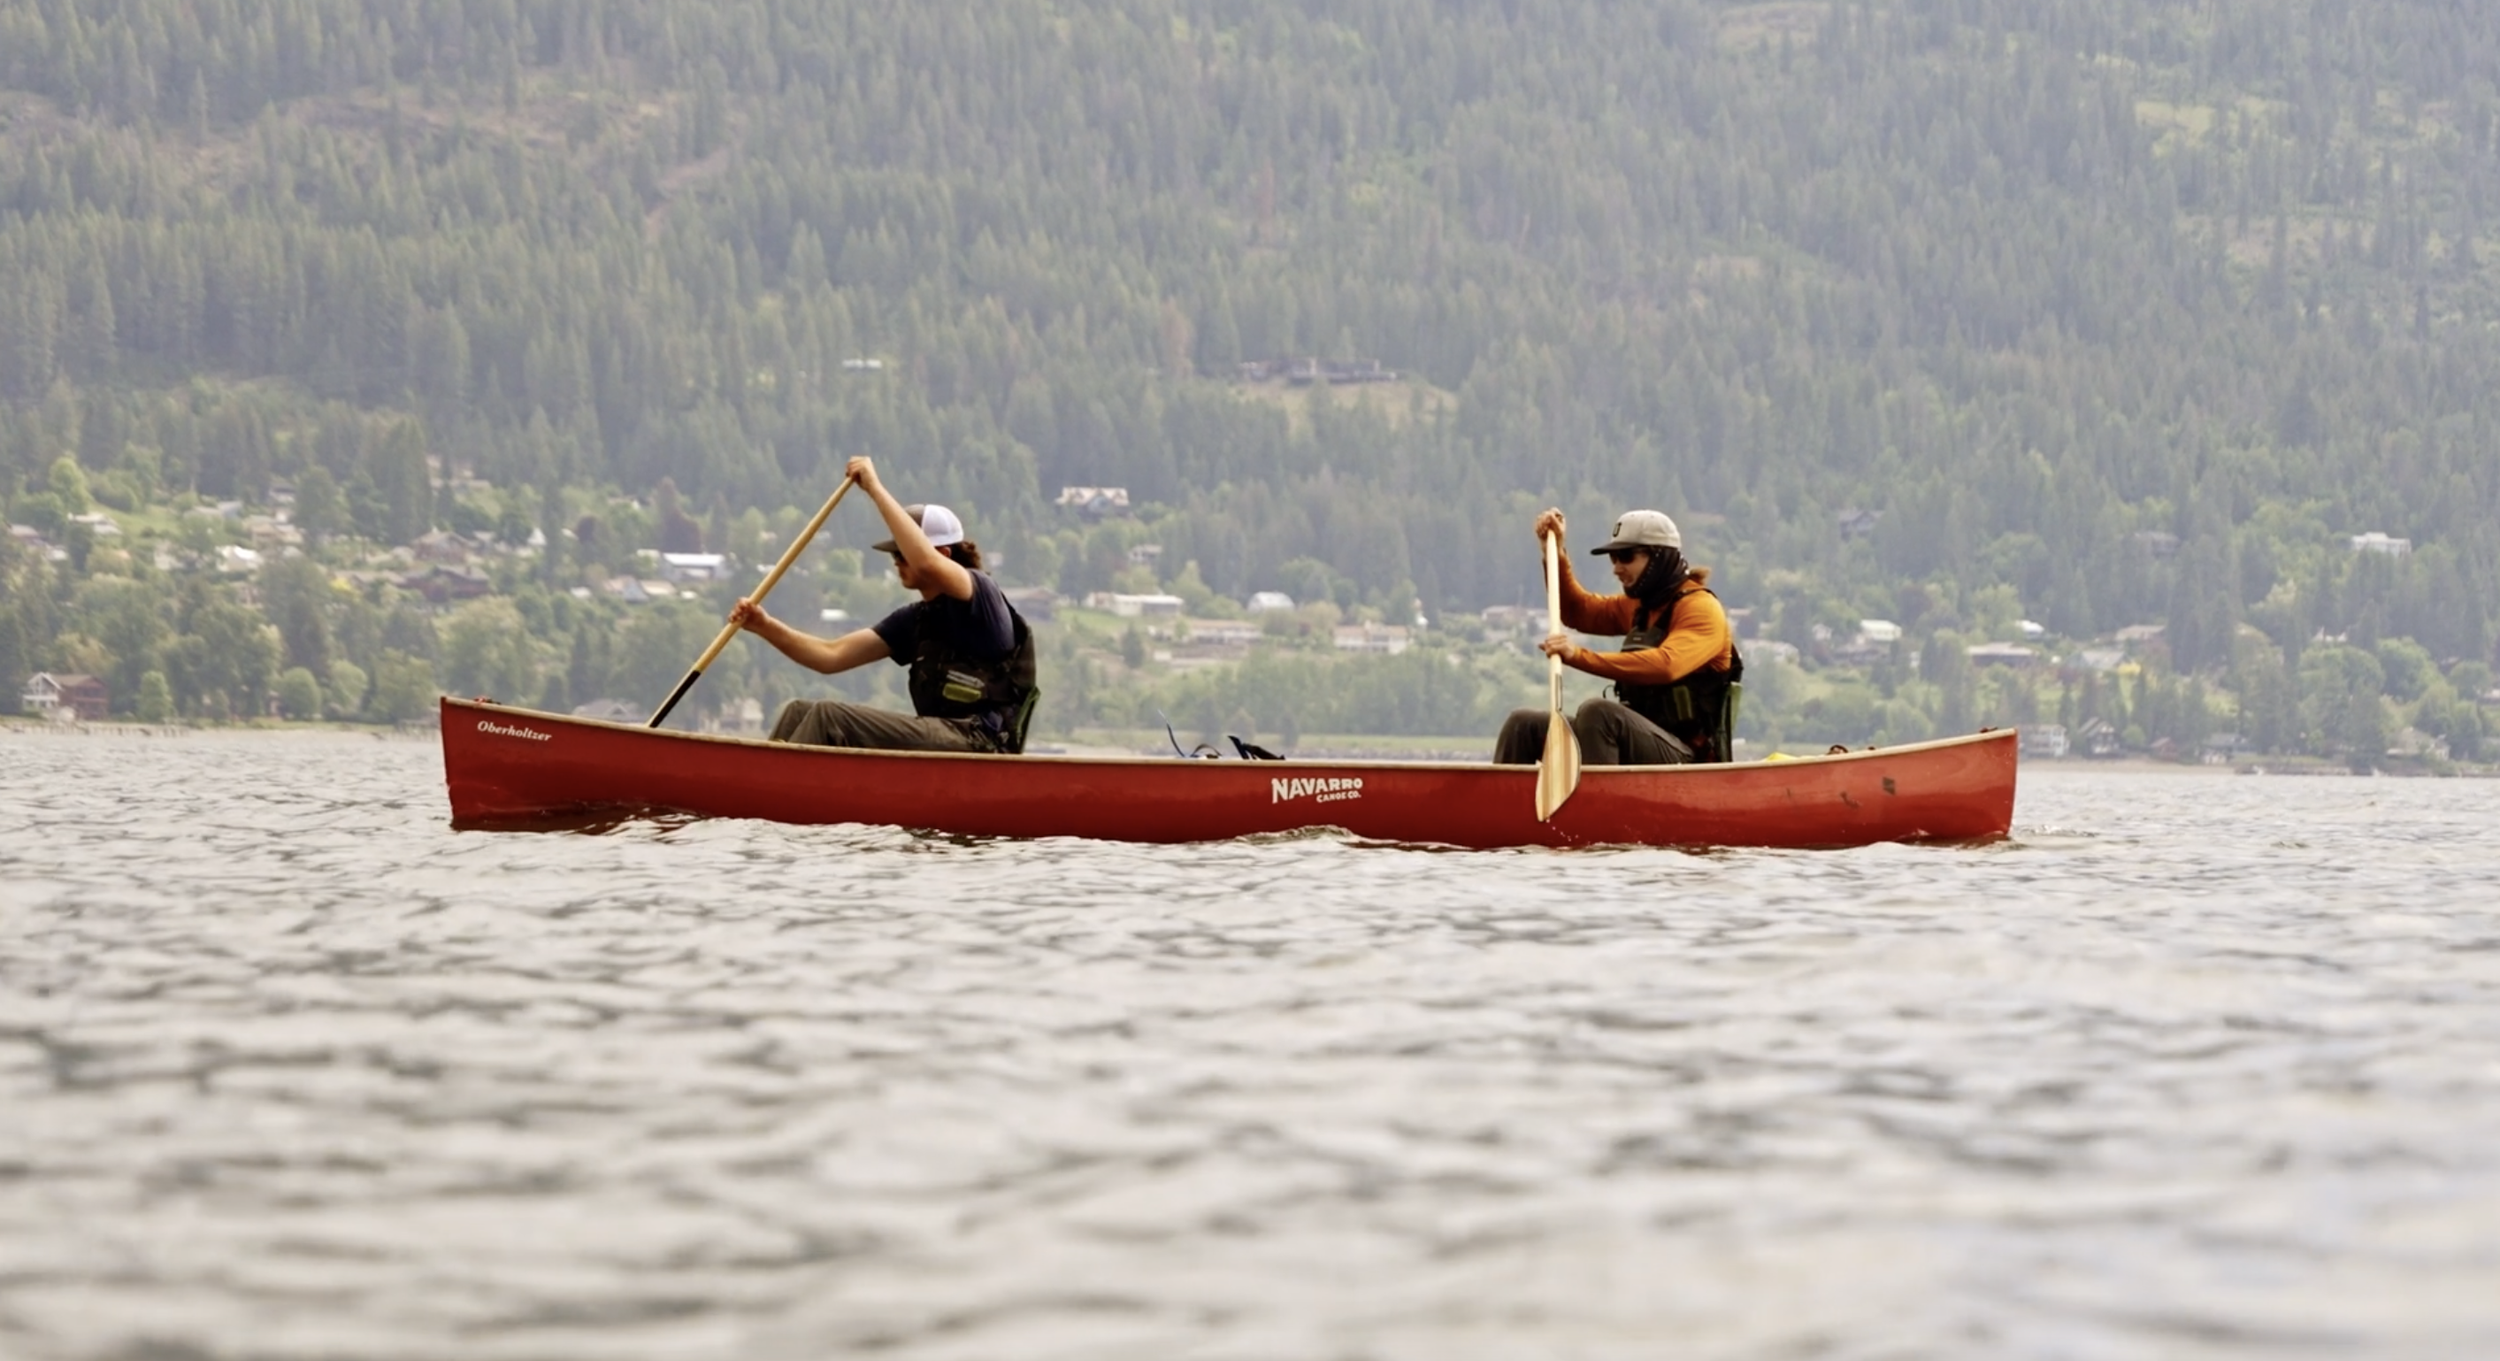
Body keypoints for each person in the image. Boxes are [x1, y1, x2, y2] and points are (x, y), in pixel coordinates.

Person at [729, 456, 1038, 753]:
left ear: (943, 554)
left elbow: (927, 564)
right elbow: (830, 656)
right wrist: (764, 626)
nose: (896, 562)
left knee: (829, 717)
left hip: (980, 740)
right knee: (799, 711)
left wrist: (874, 488)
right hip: (944, 735)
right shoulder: (914, 620)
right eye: (894, 555)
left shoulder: (980, 594)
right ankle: (752, 792)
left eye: (902, 553)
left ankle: (780, 795)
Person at [1492, 506, 1743, 766]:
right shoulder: (1641, 607)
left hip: (1686, 756)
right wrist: (1553, 552)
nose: (1617, 568)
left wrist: (1578, 656)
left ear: (1659, 557)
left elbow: (1668, 665)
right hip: (1637, 739)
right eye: (1614, 559)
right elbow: (1578, 611)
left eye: (1626, 556)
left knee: (1598, 713)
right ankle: (1502, 802)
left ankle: (1598, 804)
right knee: (1522, 724)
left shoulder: (1701, 608)